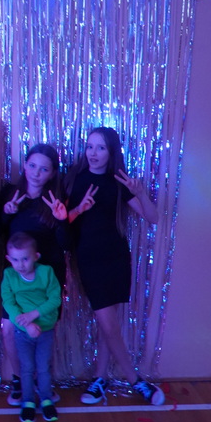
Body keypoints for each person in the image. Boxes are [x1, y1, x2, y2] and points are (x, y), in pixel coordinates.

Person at [67, 126, 165, 406]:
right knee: (108, 323)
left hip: (116, 257)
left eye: (100, 147)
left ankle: (100, 379)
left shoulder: (119, 181)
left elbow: (153, 217)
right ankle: (136, 380)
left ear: (111, 152)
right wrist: (79, 209)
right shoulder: (75, 179)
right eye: (90, 146)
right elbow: (63, 220)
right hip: (89, 258)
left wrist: (141, 193)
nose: (93, 153)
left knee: (107, 323)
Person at [0, 144, 69, 405]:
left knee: (42, 331)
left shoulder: (55, 199)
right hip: (16, 276)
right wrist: (6, 214)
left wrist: (61, 220)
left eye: (44, 169)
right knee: (10, 329)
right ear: (25, 164)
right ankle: (20, 379)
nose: (36, 173)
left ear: (52, 173)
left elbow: (66, 244)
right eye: (32, 166)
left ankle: (41, 383)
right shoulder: (10, 194)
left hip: (46, 278)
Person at [1, 232, 61, 422]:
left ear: (36, 256)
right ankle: (27, 401)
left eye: (25, 259)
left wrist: (33, 315)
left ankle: (46, 399)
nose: (20, 264)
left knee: (43, 367)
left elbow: (55, 299)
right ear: (9, 259)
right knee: (26, 368)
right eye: (15, 260)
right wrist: (26, 325)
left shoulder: (46, 272)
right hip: (23, 331)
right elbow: (9, 304)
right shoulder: (9, 275)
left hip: (45, 330)